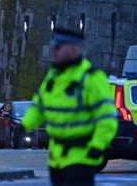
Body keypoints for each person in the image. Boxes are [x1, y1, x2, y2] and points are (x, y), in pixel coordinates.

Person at [21, 27, 118, 186]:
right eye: (53, 48)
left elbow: (107, 119)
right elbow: (39, 105)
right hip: (56, 158)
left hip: (81, 157)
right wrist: (26, 125)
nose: (54, 52)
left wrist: (97, 145)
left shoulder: (91, 78)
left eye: (58, 48)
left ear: (73, 49)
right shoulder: (53, 76)